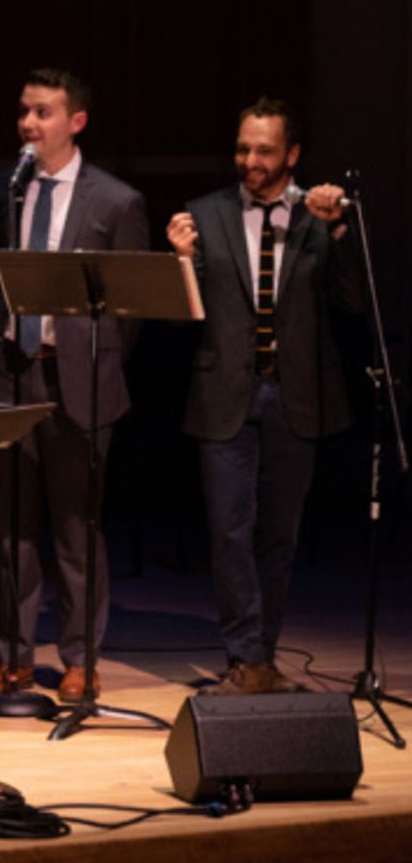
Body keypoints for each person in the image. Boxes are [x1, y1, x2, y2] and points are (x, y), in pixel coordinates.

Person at [166, 97, 363, 696]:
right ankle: (245, 658)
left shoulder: (317, 216)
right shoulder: (206, 214)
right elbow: (181, 316)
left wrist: (340, 229)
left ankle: (263, 655)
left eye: (264, 151)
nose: (250, 161)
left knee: (279, 535)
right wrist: (181, 262)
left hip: (295, 394)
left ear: (292, 155)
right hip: (226, 391)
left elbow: (355, 300)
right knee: (230, 532)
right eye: (243, 148)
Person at [0, 69, 149, 703]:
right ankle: (14, 657)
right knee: (11, 529)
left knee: (77, 530)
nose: (28, 123)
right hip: (9, 373)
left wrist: (89, 363)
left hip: (75, 379)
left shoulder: (115, 201)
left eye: (42, 112)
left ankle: (80, 658)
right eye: (24, 110)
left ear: (76, 122)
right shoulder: (7, 187)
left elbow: (130, 312)